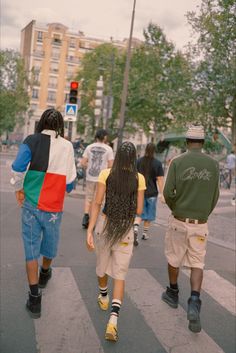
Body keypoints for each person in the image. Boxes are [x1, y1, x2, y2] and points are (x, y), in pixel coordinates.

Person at [10, 109, 76, 318]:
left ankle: (34, 298)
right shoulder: (67, 146)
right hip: (54, 207)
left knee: (31, 249)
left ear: (41, 123)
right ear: (60, 126)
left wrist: (19, 188)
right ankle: (45, 272)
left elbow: (18, 167)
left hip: (31, 203)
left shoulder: (31, 140)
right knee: (50, 243)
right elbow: (70, 184)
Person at [162, 125, 219, 333]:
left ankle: (173, 292)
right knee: (197, 262)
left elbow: (168, 192)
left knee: (173, 258)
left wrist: (176, 207)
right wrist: (203, 213)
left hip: (179, 219)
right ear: (203, 143)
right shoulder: (213, 164)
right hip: (200, 223)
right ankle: (194, 300)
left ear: (187, 142)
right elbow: (215, 196)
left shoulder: (177, 162)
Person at [86, 142, 146, 341]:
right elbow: (139, 210)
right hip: (126, 229)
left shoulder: (106, 174)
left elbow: (97, 202)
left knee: (101, 269)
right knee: (120, 275)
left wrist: (90, 229)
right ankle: (113, 320)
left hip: (105, 225)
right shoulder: (139, 178)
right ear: (133, 158)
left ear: (118, 156)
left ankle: (103, 294)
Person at [80, 129, 114, 228]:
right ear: (105, 137)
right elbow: (110, 165)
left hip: (90, 176)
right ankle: (95, 221)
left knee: (89, 198)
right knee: (99, 200)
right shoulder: (108, 149)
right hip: (102, 178)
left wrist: (89, 167)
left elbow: (83, 162)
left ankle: (86, 216)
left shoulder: (89, 147)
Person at [133, 143, 164, 245]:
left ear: (145, 150)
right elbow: (159, 179)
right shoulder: (157, 163)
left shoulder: (138, 161)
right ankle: (145, 233)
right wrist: (162, 194)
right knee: (149, 214)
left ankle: (136, 227)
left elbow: (134, 176)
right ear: (154, 151)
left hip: (139, 191)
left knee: (139, 212)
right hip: (152, 193)